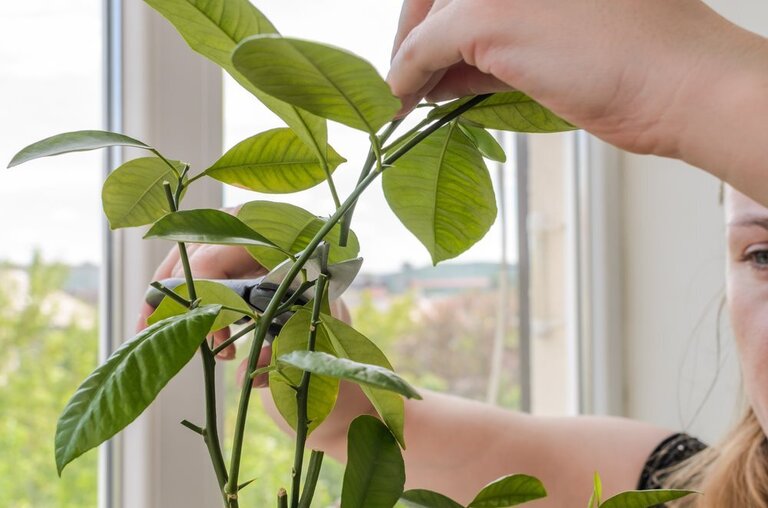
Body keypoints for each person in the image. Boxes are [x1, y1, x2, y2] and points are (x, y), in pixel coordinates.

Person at [138, 1, 768, 506]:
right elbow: (389, 436)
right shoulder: (677, 488)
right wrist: (310, 343)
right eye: (763, 255)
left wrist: (694, 78)